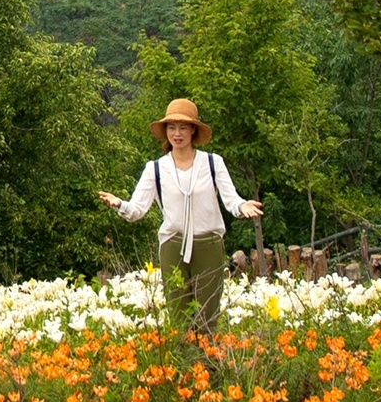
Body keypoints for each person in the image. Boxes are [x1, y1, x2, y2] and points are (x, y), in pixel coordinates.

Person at [99, 99, 262, 331]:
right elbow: (136, 210)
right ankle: (182, 364)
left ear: (193, 130)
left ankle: (207, 364)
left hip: (208, 244)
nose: (177, 133)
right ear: (165, 132)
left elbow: (231, 199)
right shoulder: (155, 168)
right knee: (178, 316)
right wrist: (119, 204)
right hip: (173, 245)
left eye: (183, 127)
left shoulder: (212, 163)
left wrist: (243, 206)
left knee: (207, 315)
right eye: (172, 127)